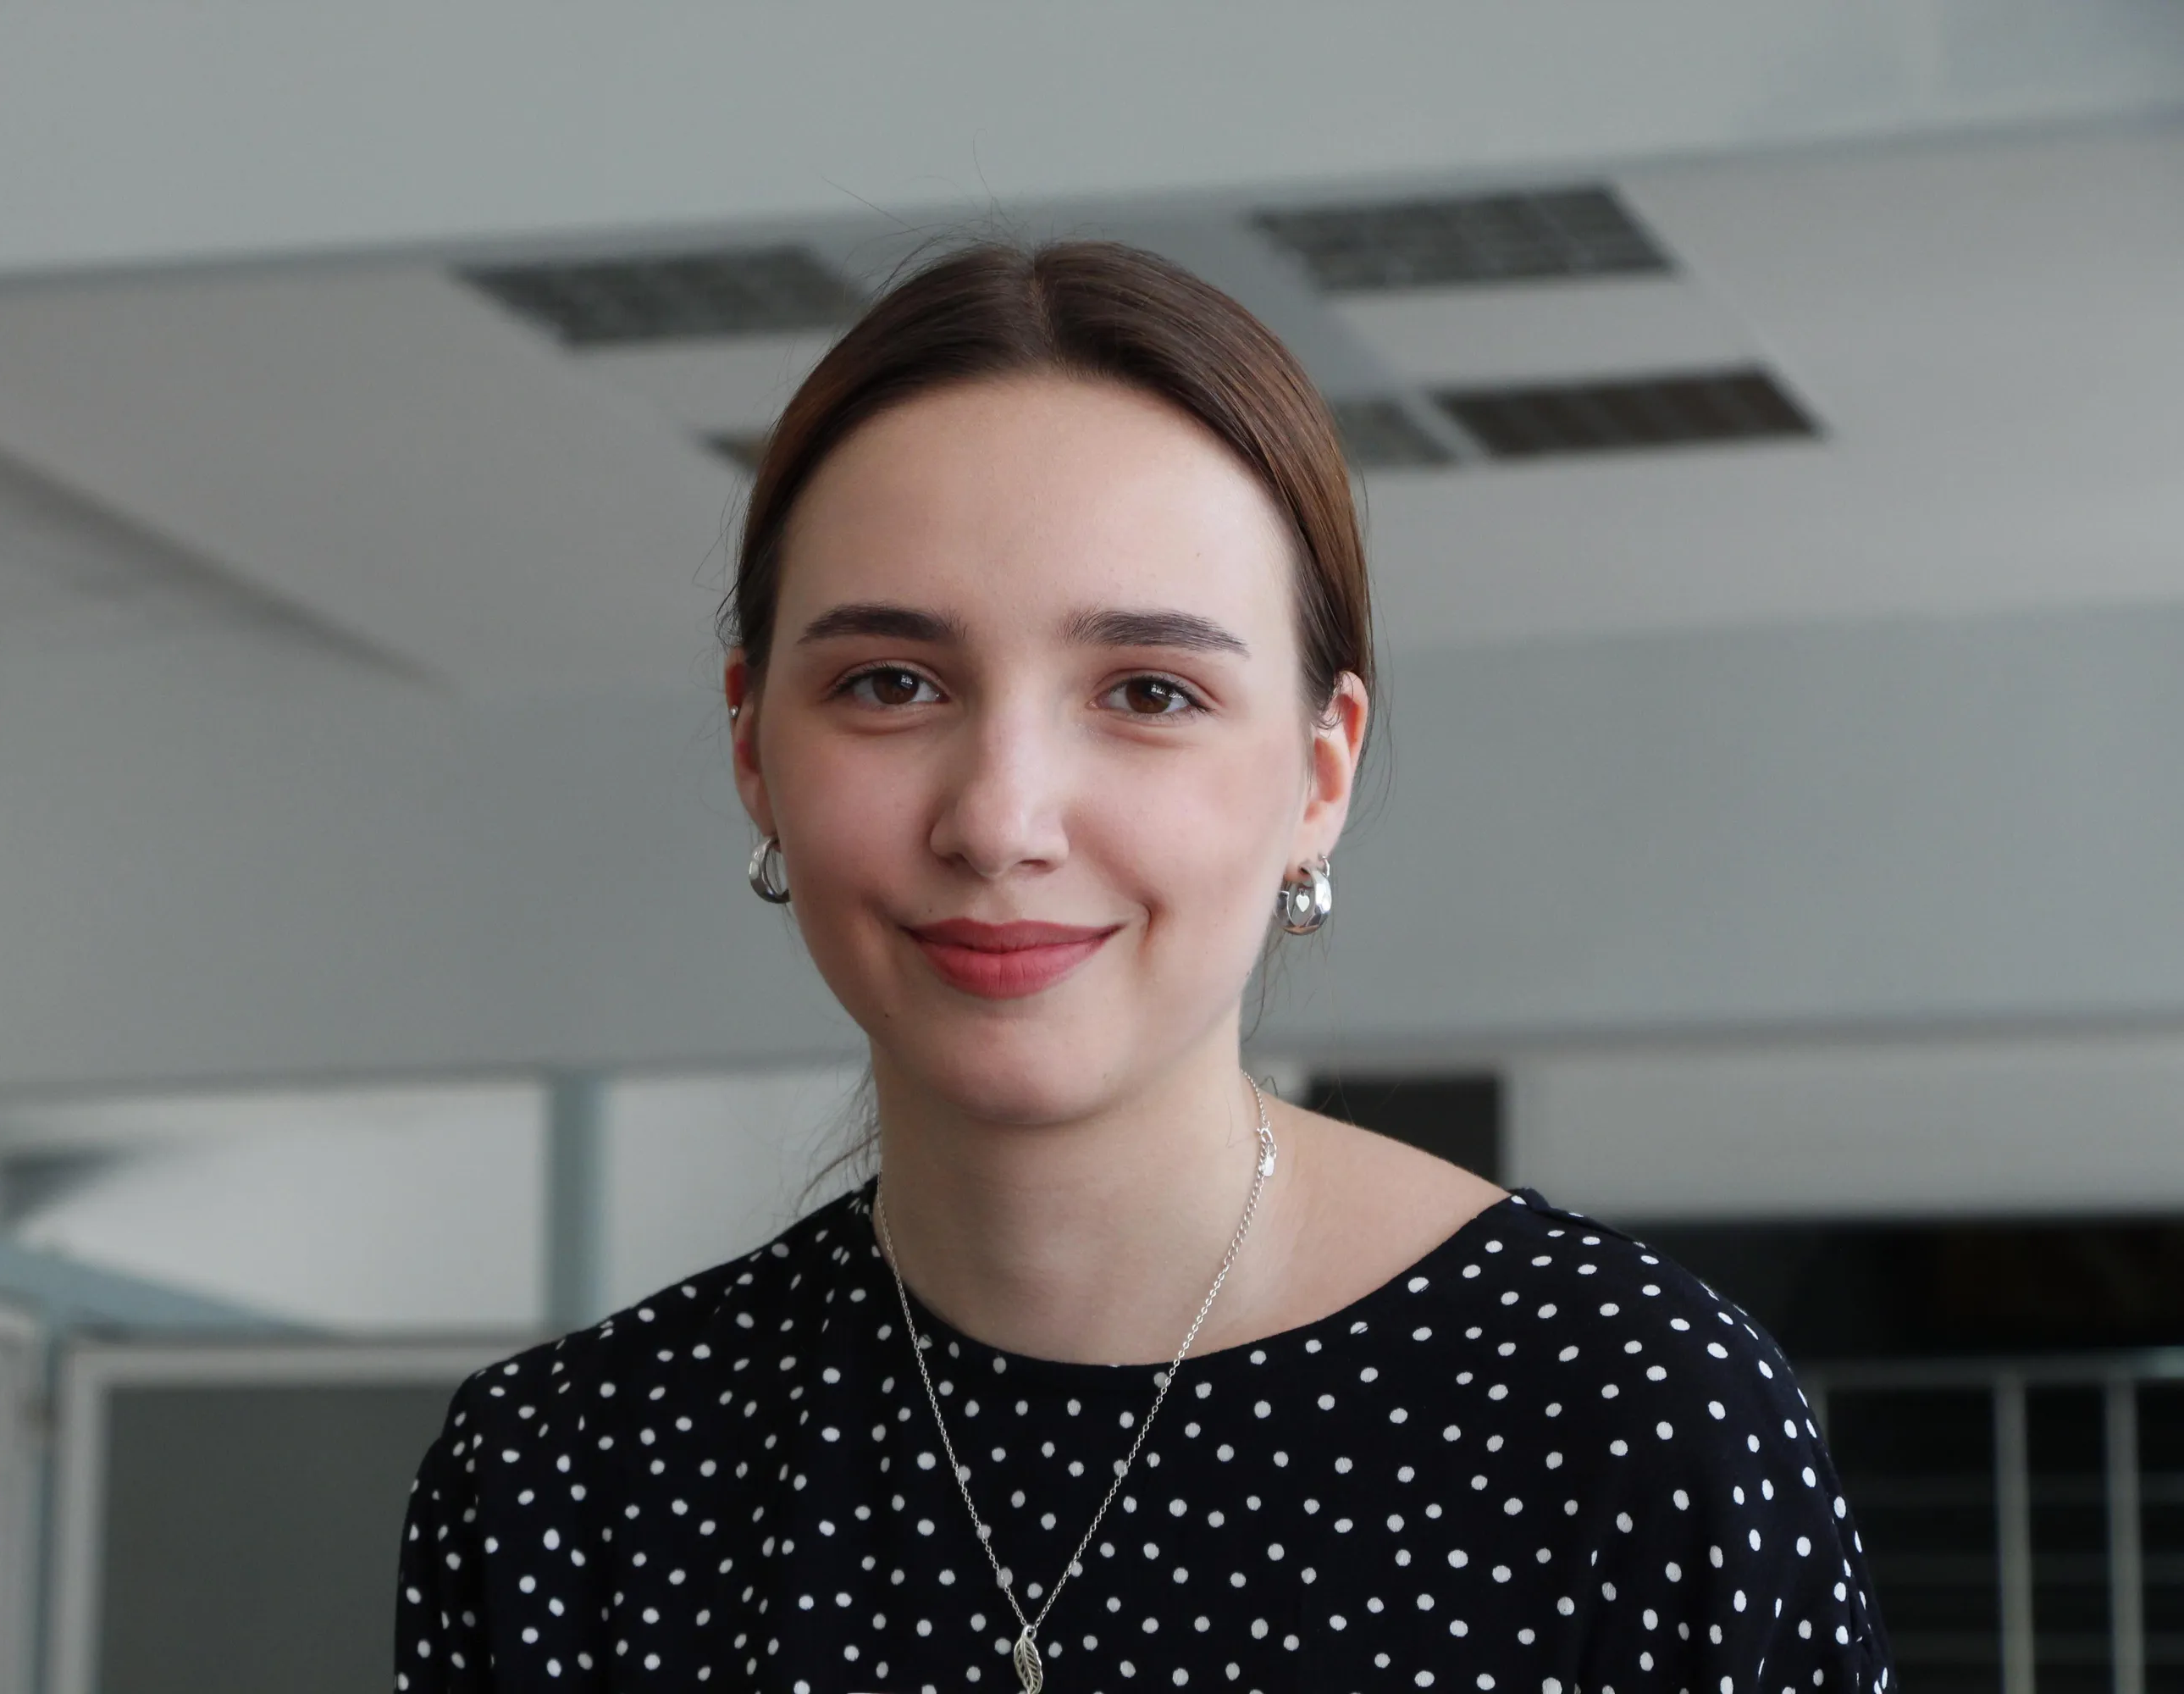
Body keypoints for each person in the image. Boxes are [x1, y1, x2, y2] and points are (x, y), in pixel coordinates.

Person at [394, 240, 1890, 1694]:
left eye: (1150, 693)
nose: (1001, 820)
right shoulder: (565, 1484)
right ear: (751, 746)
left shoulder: (1634, 1422)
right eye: (892, 683)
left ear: (1320, 775)